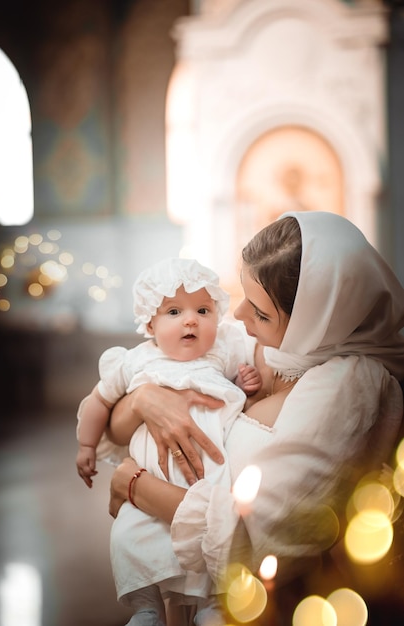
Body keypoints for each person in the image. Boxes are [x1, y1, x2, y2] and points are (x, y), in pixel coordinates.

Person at [105, 211, 404, 623]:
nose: (240, 316)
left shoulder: (352, 384)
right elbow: (123, 415)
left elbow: (263, 530)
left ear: (318, 319)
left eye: (261, 313)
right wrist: (144, 399)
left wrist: (135, 485)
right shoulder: (269, 346)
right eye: (244, 295)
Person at [76, 257, 262, 626]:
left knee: (209, 538)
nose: (190, 319)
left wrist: (243, 384)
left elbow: (229, 397)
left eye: (203, 310)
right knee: (131, 536)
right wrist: (85, 445)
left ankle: (214, 603)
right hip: (152, 478)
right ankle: (147, 608)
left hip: (206, 477)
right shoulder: (134, 361)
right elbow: (98, 401)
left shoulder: (221, 354)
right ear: (150, 323)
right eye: (174, 311)